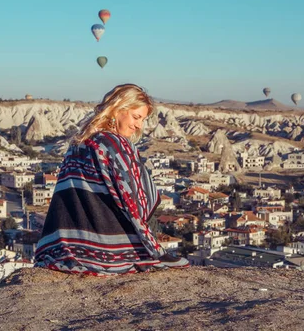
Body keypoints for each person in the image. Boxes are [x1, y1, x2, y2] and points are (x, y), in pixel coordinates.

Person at [34, 84, 189, 275]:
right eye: (136, 117)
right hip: (111, 243)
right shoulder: (115, 144)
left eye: (142, 120)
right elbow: (137, 201)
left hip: (65, 243)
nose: (139, 125)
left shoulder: (78, 143)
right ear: (118, 109)